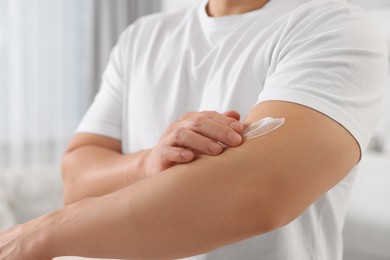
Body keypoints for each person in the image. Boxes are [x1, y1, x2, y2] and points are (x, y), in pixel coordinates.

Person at [0, 0, 388, 259]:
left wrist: (38, 235)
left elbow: (256, 193)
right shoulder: (141, 36)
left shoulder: (335, 28)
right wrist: (146, 163)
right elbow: (77, 179)